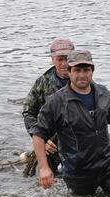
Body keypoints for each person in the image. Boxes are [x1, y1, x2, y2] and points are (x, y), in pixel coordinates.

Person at [30, 50, 110, 197]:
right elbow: (38, 134)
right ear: (69, 72)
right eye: (77, 70)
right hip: (77, 171)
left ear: (92, 71)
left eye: (86, 70)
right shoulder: (56, 101)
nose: (82, 75)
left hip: (108, 164)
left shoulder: (103, 94)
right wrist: (44, 168)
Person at [22, 38, 76, 172]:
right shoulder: (42, 82)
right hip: (51, 145)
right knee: (45, 178)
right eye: (60, 59)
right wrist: (43, 141)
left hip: (76, 143)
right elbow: (28, 113)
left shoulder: (83, 78)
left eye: (68, 59)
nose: (64, 64)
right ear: (53, 60)